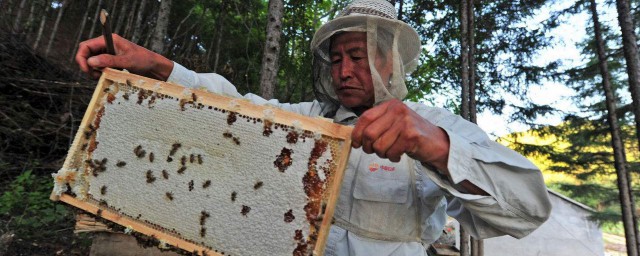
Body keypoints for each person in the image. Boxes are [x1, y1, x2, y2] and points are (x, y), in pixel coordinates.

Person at [76, 0, 552, 255]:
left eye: (358, 57)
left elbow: (529, 208)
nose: (344, 71)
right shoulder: (314, 119)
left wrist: (437, 147)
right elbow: (239, 106)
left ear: (391, 63)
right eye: (338, 59)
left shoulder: (437, 125)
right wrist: (162, 68)